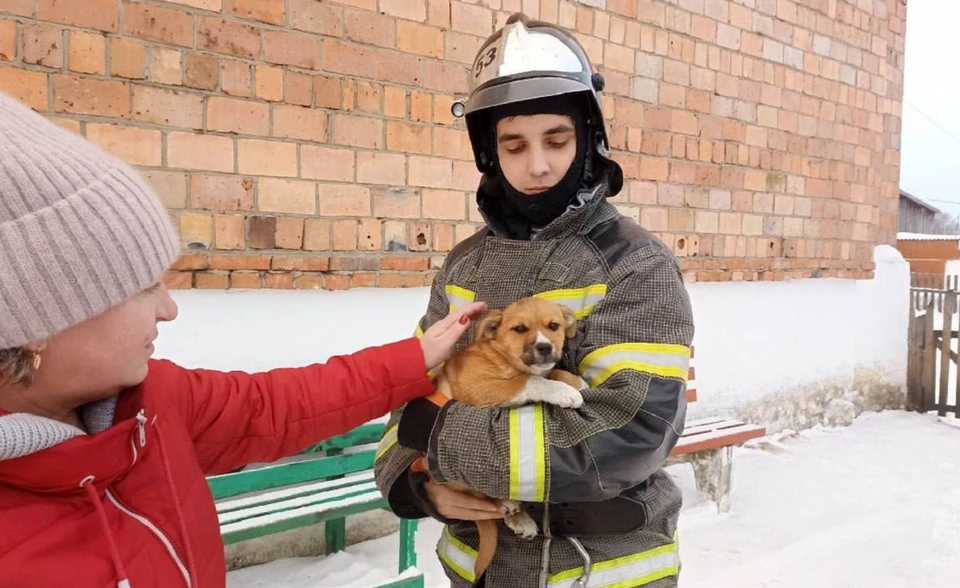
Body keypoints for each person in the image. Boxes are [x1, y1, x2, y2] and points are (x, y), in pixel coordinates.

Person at [0, 91, 487, 588]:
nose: (169, 309)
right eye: (144, 286)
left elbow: (281, 404)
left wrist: (416, 358)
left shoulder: (154, 404)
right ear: (37, 323)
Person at [373, 13, 695, 588]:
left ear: (589, 137)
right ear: (490, 152)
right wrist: (418, 481)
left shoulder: (634, 262)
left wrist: (439, 442)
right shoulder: (463, 265)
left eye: (557, 139)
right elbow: (411, 398)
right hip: (482, 570)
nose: (538, 164)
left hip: (602, 570)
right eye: (514, 144)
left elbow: (629, 434)